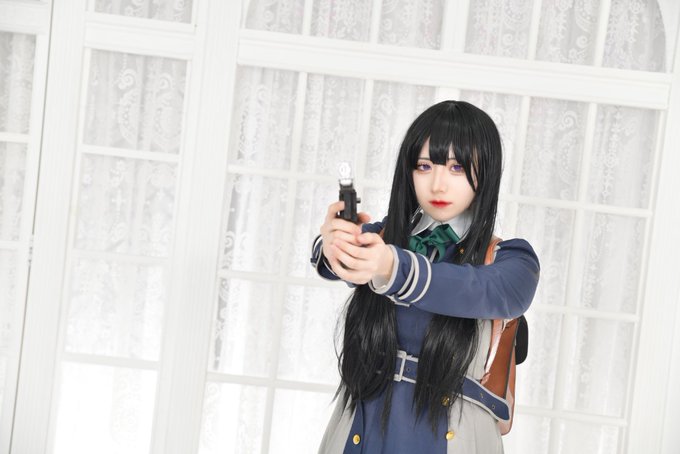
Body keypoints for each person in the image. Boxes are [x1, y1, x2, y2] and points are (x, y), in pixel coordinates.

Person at [310, 100, 540, 453]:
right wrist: (334, 245)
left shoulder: (510, 259)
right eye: (424, 165)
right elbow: (336, 261)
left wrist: (392, 267)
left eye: (457, 168)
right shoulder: (385, 237)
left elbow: (483, 290)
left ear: (486, 173)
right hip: (361, 433)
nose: (438, 184)